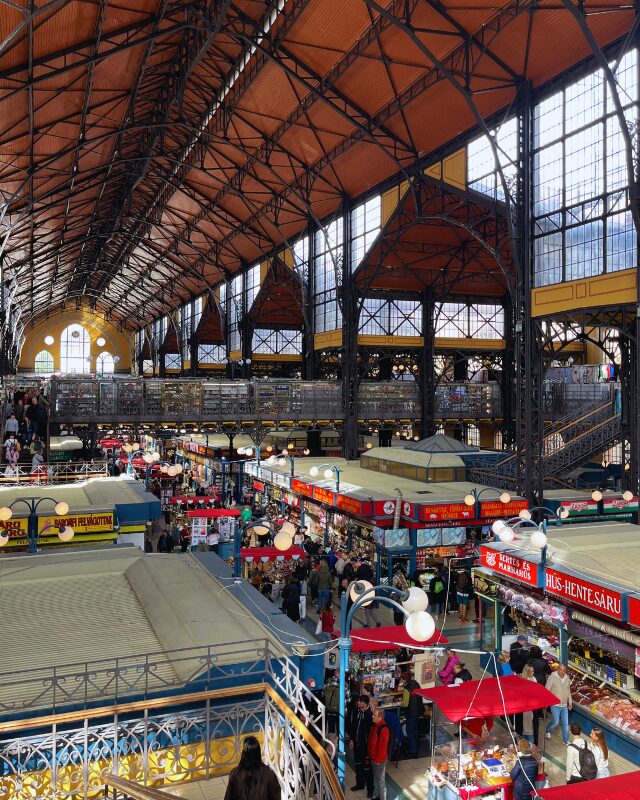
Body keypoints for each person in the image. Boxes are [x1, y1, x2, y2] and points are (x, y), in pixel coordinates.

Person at [224, 735, 280, 800]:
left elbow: (228, 797)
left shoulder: (235, 773)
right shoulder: (269, 774)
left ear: (243, 753)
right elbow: (276, 797)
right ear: (258, 753)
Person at [349, 695, 373, 796]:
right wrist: (352, 739)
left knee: (367, 768)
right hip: (356, 745)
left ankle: (370, 790)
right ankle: (359, 784)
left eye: (362, 702)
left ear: (366, 703)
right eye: (359, 701)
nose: (360, 703)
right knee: (358, 766)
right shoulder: (356, 711)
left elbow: (370, 732)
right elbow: (353, 726)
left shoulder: (370, 714)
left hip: (366, 747)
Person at [545, 664, 572, 745]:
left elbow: (568, 691)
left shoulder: (567, 678)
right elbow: (547, 690)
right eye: (560, 669)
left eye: (564, 670)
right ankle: (548, 730)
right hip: (555, 705)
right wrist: (546, 701)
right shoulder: (552, 677)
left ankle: (565, 740)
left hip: (564, 705)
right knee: (556, 722)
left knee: (565, 723)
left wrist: (570, 701)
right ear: (557, 669)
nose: (562, 672)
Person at [368, 707, 389, 800]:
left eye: (374, 715)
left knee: (381, 781)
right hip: (374, 758)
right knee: (377, 779)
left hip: (379, 760)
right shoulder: (374, 726)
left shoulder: (383, 729)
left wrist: (378, 760)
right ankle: (380, 797)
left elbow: (382, 748)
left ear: (380, 717)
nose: (372, 716)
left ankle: (383, 798)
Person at [404, 678, 424, 758]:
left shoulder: (407, 689)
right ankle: (415, 747)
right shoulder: (417, 686)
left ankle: (413, 750)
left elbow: (405, 704)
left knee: (409, 731)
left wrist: (399, 703)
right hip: (418, 712)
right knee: (415, 730)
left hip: (410, 713)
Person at [521, 665, 538, 744]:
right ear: (527, 672)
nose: (534, 672)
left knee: (529, 728)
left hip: (532, 707)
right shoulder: (523, 681)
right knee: (528, 730)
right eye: (532, 671)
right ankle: (529, 748)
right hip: (526, 708)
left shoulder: (533, 679)